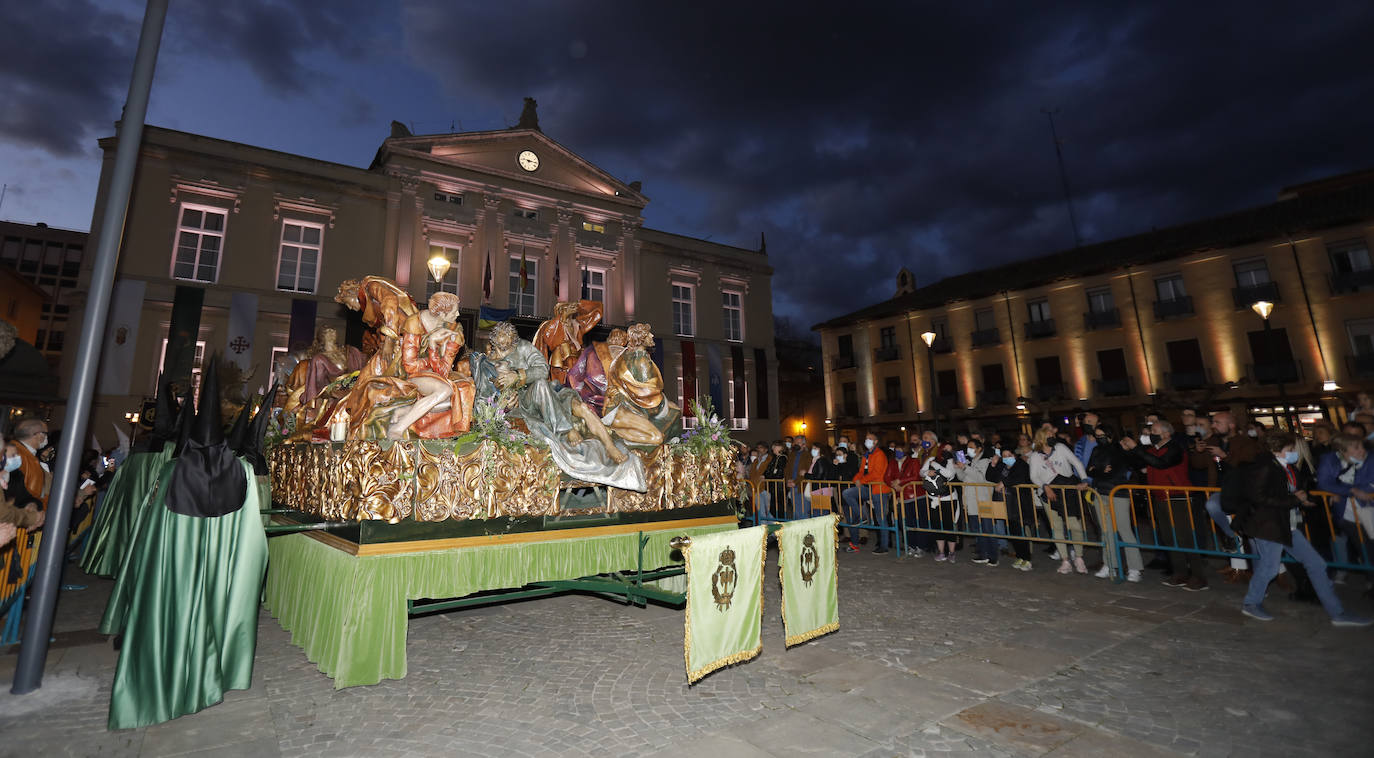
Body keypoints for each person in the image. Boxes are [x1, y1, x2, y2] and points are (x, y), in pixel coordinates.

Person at [1233, 431, 1371, 626]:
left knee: (1316, 564)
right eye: (1290, 449)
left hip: (1287, 524)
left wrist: (1305, 500)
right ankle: (1251, 603)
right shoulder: (1265, 467)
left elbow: (1297, 491)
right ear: (1277, 450)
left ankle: (1337, 612)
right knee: (1269, 568)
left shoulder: (1287, 468)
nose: (1294, 452)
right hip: (1268, 526)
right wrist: (1294, 500)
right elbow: (1259, 498)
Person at [1122, 419, 1208, 591]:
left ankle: (1198, 576)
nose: (1150, 434)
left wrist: (1137, 449)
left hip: (1178, 497)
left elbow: (1160, 463)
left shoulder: (1175, 448)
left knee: (1184, 537)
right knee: (1169, 537)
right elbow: (1140, 463)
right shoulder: (1152, 450)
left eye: (1154, 431)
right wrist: (1129, 451)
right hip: (1160, 497)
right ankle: (1180, 572)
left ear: (1167, 434)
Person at [1086, 423, 1143, 582]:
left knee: (1125, 530)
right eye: (1097, 436)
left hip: (1118, 493)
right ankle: (1110, 564)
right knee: (1106, 532)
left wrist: (1099, 470)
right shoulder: (1096, 450)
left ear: (1110, 435)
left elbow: (1119, 470)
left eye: (1102, 436)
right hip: (1100, 493)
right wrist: (1100, 470)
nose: (1099, 439)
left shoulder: (1120, 448)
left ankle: (1135, 568)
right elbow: (1089, 469)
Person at [1030, 428, 1090, 574]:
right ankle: (1065, 560)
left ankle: (1079, 557)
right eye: (1048, 435)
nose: (1052, 437)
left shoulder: (1061, 448)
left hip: (1067, 490)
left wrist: (1084, 479)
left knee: (1075, 525)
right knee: (1056, 527)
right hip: (1048, 494)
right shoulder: (1035, 456)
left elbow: (1076, 463)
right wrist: (1045, 487)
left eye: (1053, 435)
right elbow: (1034, 476)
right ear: (1041, 438)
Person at [842, 431, 892, 553]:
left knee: (881, 518)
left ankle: (884, 546)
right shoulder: (866, 455)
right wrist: (856, 480)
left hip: (879, 489)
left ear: (876, 442)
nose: (867, 440)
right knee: (847, 493)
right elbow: (861, 471)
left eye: (870, 438)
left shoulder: (879, 454)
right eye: (866, 438)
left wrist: (862, 481)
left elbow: (877, 473)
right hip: (868, 487)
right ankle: (862, 516)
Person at [990, 445, 1036, 570]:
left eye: (1008, 455)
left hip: (1019, 502)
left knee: (1021, 531)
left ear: (1014, 455)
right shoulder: (1003, 466)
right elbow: (990, 477)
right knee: (1013, 531)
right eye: (1004, 456)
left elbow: (1020, 478)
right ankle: (1019, 556)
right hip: (1007, 504)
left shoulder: (1021, 465)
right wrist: (992, 465)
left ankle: (1027, 558)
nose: (1006, 458)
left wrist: (1004, 483)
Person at [956, 438, 998, 566]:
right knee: (977, 529)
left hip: (984, 500)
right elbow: (962, 478)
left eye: (971, 447)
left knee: (987, 529)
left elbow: (981, 478)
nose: (968, 449)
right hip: (971, 501)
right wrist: (959, 467)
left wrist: (965, 467)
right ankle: (983, 554)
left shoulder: (985, 461)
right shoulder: (970, 462)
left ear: (979, 449)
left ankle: (993, 556)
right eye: (967, 447)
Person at [920, 442, 959, 561]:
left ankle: (952, 552)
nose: (946, 451)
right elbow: (921, 472)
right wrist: (927, 472)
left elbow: (949, 474)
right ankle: (941, 552)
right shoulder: (931, 458)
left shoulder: (951, 461)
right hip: (934, 499)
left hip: (949, 498)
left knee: (949, 525)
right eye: (945, 448)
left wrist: (935, 466)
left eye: (949, 449)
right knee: (937, 525)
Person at [800, 442, 834, 517]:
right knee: (820, 512)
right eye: (812, 448)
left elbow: (818, 476)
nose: (813, 450)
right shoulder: (818, 460)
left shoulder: (821, 460)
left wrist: (805, 474)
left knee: (820, 513)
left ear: (821, 450)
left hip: (821, 489)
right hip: (821, 489)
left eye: (815, 448)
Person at [784, 435, 813, 518]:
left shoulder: (808, 455)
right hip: (792, 486)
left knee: (804, 512)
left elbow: (807, 470)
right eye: (795, 442)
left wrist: (795, 482)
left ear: (804, 444)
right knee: (796, 512)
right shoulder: (792, 455)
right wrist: (788, 480)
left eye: (799, 443)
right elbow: (787, 469)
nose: (796, 444)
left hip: (802, 486)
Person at [761, 440, 789, 519]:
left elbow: (779, 473)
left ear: (781, 447)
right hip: (773, 486)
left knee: (778, 507)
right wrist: (764, 475)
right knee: (773, 506)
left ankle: (780, 522)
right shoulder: (775, 458)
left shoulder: (782, 458)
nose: (773, 448)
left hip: (779, 487)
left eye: (775, 446)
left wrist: (767, 476)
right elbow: (769, 469)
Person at [747, 442, 773, 519]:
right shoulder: (756, 461)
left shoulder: (770, 459)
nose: (759, 449)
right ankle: (765, 525)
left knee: (768, 511)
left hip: (765, 488)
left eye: (760, 448)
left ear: (766, 449)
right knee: (761, 511)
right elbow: (752, 474)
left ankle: (772, 525)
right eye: (757, 448)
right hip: (755, 488)